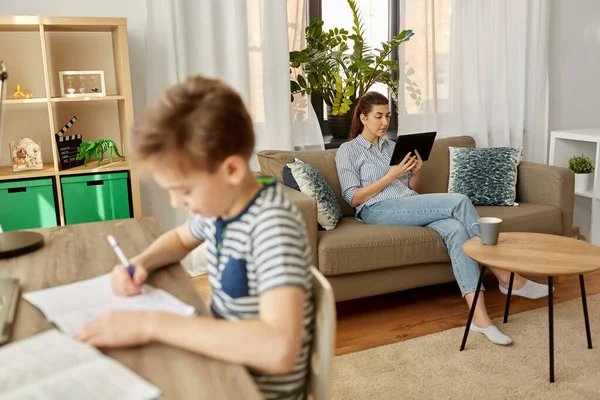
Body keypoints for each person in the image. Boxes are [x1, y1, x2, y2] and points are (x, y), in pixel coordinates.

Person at [75, 76, 314, 400]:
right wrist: (140, 263)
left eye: (183, 190)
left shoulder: (272, 226)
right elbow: (180, 238)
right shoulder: (220, 205)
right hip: (224, 362)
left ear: (231, 170)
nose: (176, 203)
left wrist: (152, 323)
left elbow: (279, 350)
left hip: (252, 389)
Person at [335, 92, 549, 345]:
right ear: (363, 118)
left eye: (388, 116)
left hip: (406, 204)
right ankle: (506, 276)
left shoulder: (394, 147)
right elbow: (353, 198)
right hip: (376, 209)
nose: (385, 122)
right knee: (459, 200)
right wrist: (391, 176)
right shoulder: (347, 151)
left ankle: (480, 319)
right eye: (378, 116)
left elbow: (411, 191)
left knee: (456, 229)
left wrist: (416, 173)